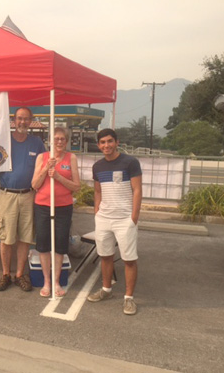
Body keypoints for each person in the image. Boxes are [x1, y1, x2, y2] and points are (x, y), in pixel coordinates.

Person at [87, 128, 142, 315]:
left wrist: (133, 218)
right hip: (104, 219)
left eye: (109, 141)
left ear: (117, 142)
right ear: (98, 145)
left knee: (129, 259)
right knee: (105, 256)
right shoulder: (98, 166)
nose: (106, 145)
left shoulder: (130, 162)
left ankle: (128, 298)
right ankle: (106, 290)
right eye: (102, 142)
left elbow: (137, 190)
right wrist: (97, 212)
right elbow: (97, 191)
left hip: (125, 220)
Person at [0, 107, 46, 292]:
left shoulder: (37, 143)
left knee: (25, 237)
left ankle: (20, 274)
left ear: (31, 121)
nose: (23, 122)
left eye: (26, 119)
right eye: (20, 119)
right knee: (6, 237)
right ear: (14, 120)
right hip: (7, 195)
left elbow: (43, 169)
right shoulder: (4, 142)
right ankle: (6, 274)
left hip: (29, 195)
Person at [31, 127, 81, 298]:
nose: (59, 142)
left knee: (60, 245)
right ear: (51, 141)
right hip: (43, 206)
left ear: (66, 141)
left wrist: (59, 177)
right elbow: (34, 185)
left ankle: (57, 281)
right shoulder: (42, 157)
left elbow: (76, 186)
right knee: (43, 245)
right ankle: (46, 281)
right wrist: (46, 168)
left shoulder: (71, 158)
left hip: (63, 207)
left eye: (63, 139)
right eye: (56, 139)